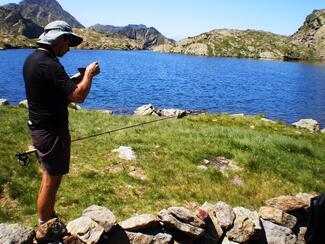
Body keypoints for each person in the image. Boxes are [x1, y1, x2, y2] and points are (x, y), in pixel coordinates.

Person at [23, 20, 100, 225]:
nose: (69, 48)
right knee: (52, 179)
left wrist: (77, 78)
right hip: (51, 132)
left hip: (40, 128)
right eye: (68, 42)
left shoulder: (33, 59)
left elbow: (56, 94)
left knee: (48, 175)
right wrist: (89, 75)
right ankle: (45, 225)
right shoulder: (49, 65)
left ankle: (48, 216)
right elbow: (78, 95)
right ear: (59, 39)